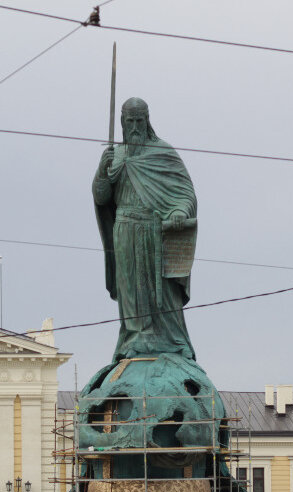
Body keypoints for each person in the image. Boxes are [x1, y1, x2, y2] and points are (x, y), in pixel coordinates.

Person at [93, 97, 198, 362]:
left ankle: (175, 341)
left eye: (141, 120)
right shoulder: (113, 156)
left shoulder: (163, 152)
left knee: (162, 291)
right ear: (122, 123)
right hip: (126, 230)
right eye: (131, 121)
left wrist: (178, 212)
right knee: (132, 289)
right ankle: (135, 338)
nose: (136, 126)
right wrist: (102, 172)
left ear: (148, 120)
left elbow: (186, 194)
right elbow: (102, 197)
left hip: (155, 231)